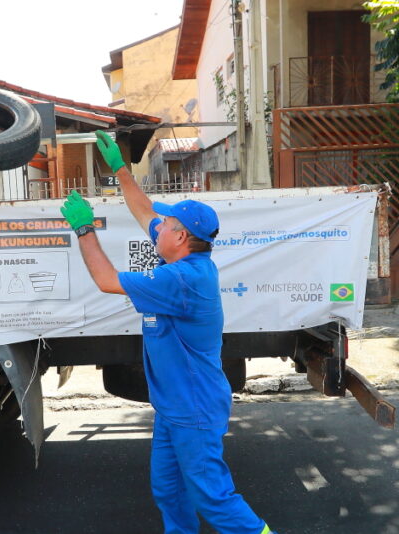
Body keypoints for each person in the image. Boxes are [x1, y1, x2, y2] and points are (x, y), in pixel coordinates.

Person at [60, 130, 276, 534]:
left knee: (213, 497)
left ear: (180, 237)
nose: (155, 228)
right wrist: (122, 171)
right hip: (174, 407)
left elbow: (107, 280)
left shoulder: (183, 279)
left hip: (193, 408)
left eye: (166, 225)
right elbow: (145, 212)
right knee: (169, 490)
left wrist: (85, 230)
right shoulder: (181, 252)